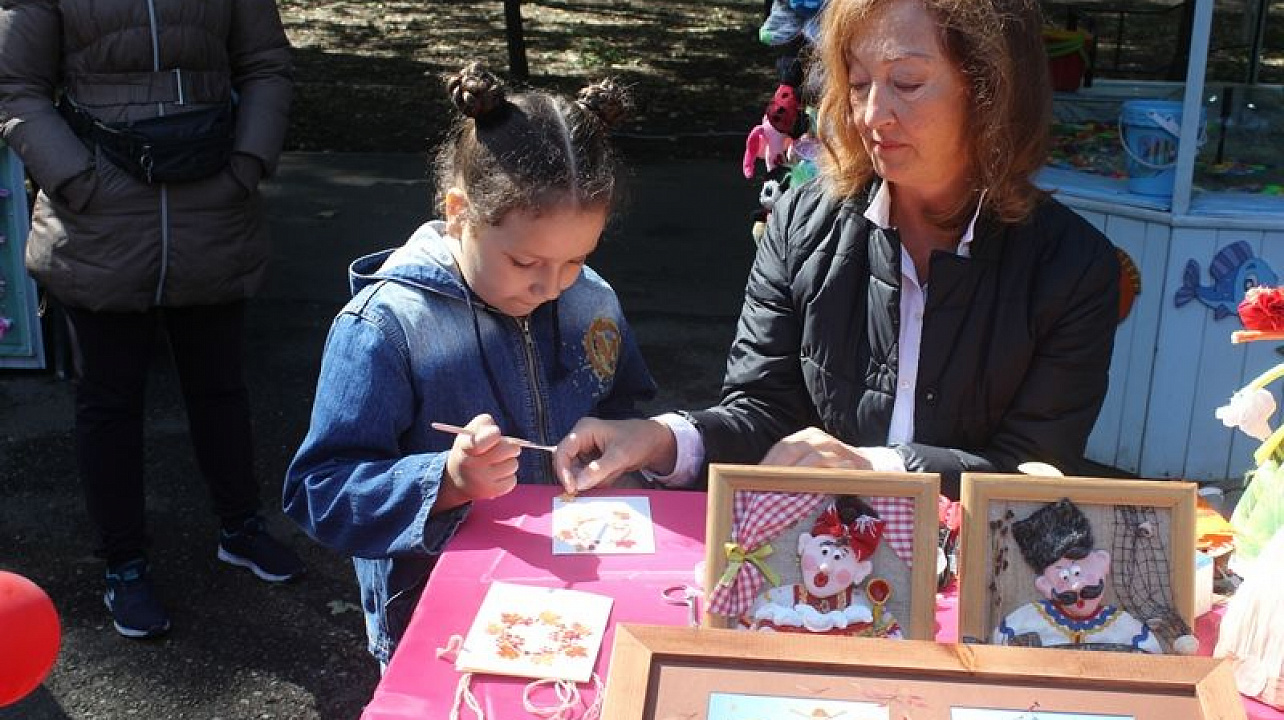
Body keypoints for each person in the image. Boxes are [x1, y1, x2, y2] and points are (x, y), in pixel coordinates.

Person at [553, 0, 1120, 499]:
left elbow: (1033, 475)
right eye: (857, 82)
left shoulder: (1073, 266)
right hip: (817, 578)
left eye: (908, 82)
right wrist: (660, 439)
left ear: (992, 89)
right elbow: (761, 415)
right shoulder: (802, 224)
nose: (872, 115)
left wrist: (872, 468)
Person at [282, 62, 658, 666]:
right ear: (459, 211)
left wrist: (619, 445)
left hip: (578, 597)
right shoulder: (387, 326)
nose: (551, 287)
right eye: (525, 262)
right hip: (442, 621)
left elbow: (621, 407)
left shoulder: (592, 297)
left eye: (575, 259)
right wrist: (448, 483)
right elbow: (319, 493)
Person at [0, 0, 302, 639]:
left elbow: (267, 64)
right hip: (98, 220)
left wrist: (247, 165)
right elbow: (16, 84)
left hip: (212, 212)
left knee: (219, 389)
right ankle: (124, 565)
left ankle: (241, 526)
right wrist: (77, 180)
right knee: (108, 404)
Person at [993, 498, 1162, 653]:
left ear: (1102, 562)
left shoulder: (1125, 627)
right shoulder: (1025, 621)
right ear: (1044, 585)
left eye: (1079, 572)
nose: (1077, 586)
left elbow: (1152, 661)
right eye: (1064, 577)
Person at [746, 497, 902, 637]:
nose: (825, 567)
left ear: (860, 571)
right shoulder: (776, 600)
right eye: (823, 552)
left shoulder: (864, 606)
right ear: (804, 545)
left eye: (838, 558)